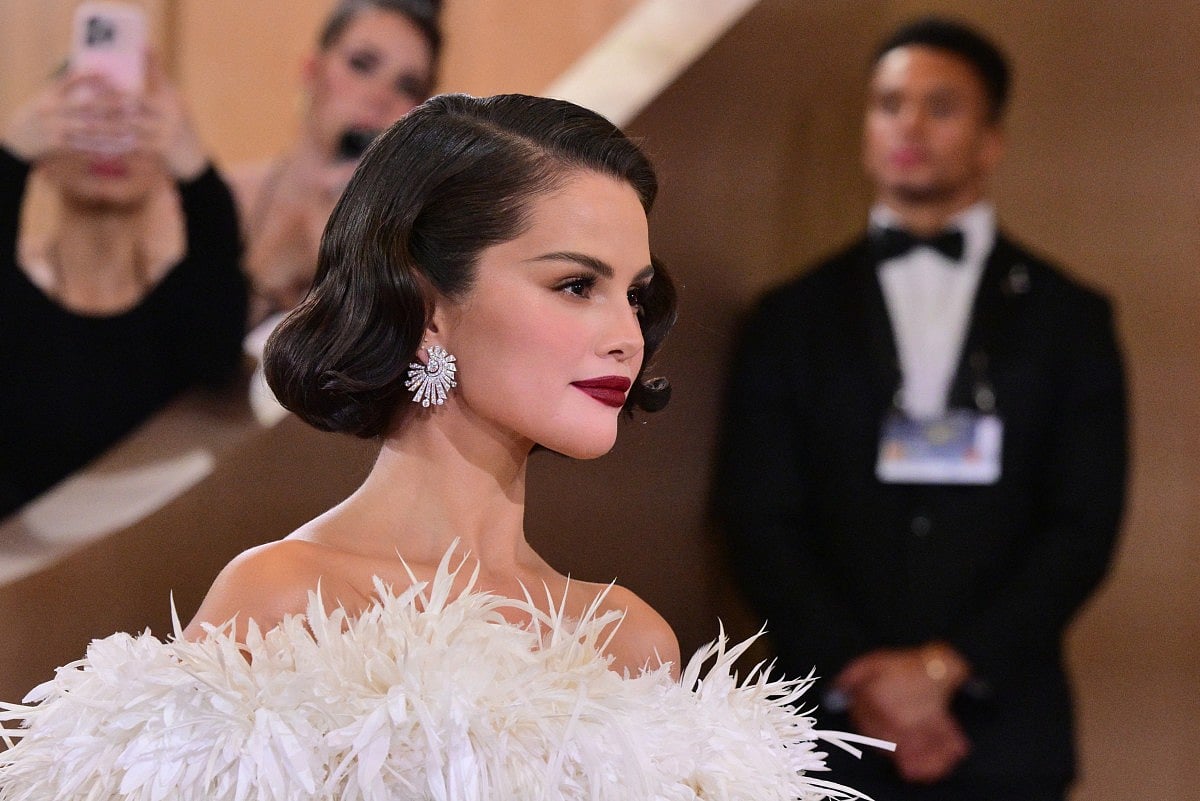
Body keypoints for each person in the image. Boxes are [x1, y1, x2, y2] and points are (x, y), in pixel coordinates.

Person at [0, 93, 883, 800]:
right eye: (577, 284)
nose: (627, 335)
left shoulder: (630, 639)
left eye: (634, 294)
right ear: (427, 306)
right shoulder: (283, 600)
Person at [716, 16, 1127, 801]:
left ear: (991, 140)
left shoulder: (1070, 316)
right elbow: (758, 514)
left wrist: (945, 667)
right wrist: (863, 674)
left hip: (1004, 726)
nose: (908, 125)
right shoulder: (789, 315)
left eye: (940, 107)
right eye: (888, 104)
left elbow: (1084, 523)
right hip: (824, 725)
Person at [0, 57, 247, 518]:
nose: (110, 144)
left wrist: (197, 174)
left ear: (164, 158)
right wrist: (12, 156)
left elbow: (218, 351)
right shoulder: (13, 304)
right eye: (87, 120)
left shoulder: (187, 312)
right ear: (45, 153)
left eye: (132, 122)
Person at [232, 0, 441, 322]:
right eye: (362, 64)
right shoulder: (225, 200)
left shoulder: (418, 241)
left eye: (407, 86)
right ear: (312, 69)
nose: (380, 96)